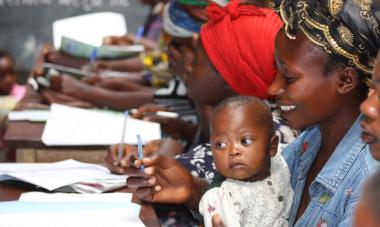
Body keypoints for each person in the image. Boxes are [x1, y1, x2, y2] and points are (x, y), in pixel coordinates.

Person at [115, 0, 380, 226]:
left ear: (345, 81)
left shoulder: (365, 182)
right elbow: (263, 212)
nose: (273, 87)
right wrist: (193, 189)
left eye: (288, 77)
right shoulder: (311, 141)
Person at [198, 95, 293, 227]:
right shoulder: (222, 199)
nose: (233, 151)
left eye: (245, 141)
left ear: (272, 146)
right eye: (220, 144)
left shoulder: (283, 162)